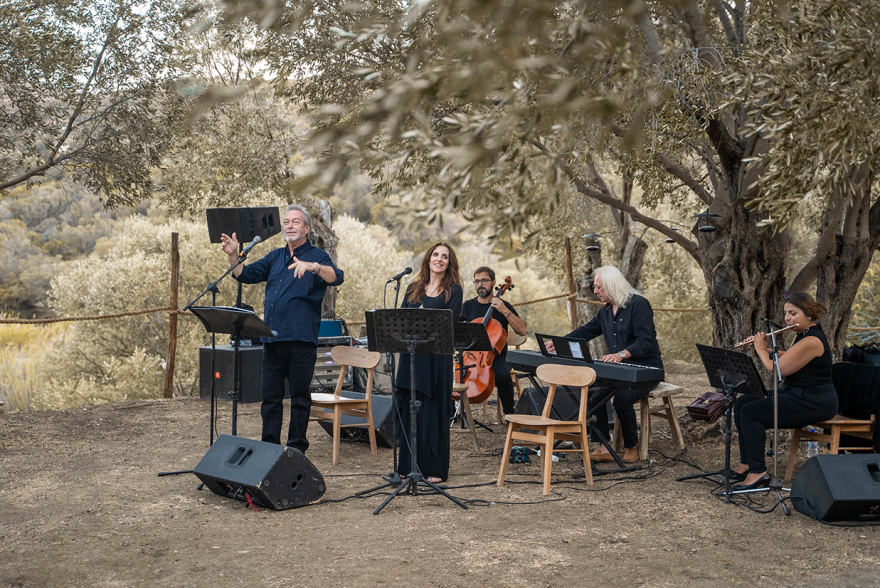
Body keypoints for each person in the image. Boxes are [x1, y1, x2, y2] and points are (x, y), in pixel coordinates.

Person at [219, 204, 344, 454]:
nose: (289, 225)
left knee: (299, 398)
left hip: (301, 341)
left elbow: (337, 276)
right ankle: (269, 450)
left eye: (295, 222)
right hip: (272, 340)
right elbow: (245, 273)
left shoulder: (317, 256)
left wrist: (313, 267)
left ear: (307, 228)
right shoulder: (275, 256)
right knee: (271, 400)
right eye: (286, 222)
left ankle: (296, 450)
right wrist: (233, 256)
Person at [549, 266, 663, 463]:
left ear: (611, 286)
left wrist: (621, 354)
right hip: (619, 371)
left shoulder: (639, 305)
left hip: (646, 370)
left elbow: (645, 341)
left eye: (599, 287)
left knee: (622, 399)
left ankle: (631, 446)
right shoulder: (606, 312)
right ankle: (604, 447)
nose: (595, 291)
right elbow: (586, 331)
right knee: (593, 392)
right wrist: (558, 342)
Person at [731, 292, 838, 490]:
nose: (788, 318)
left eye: (793, 313)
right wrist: (770, 351)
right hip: (796, 394)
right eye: (786, 313)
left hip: (814, 402)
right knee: (743, 402)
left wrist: (761, 350)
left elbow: (777, 369)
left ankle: (758, 473)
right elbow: (790, 356)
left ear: (808, 314)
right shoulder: (802, 335)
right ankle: (747, 463)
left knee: (751, 412)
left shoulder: (813, 340)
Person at [396, 242, 463, 484]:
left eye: (445, 256)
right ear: (428, 259)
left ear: (449, 263)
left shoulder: (453, 291)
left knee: (432, 409)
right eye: (436, 255)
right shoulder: (413, 288)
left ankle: (434, 468)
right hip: (412, 357)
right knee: (409, 408)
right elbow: (401, 319)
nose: (439, 259)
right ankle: (407, 465)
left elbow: (450, 325)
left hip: (436, 359)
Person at [459, 266, 528, 415]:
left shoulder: (503, 306)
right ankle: (454, 413)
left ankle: (510, 413)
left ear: (493, 282)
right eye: (476, 281)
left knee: (503, 373)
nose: (480, 284)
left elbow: (522, 330)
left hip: (497, 356)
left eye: (484, 280)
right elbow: (453, 327)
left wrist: (504, 310)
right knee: (452, 371)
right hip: (471, 355)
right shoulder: (468, 306)